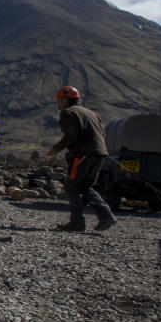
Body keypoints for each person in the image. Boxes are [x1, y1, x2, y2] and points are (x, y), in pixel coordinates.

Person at [46, 86, 117, 232]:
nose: (57, 104)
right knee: (85, 187)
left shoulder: (68, 112)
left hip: (82, 156)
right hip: (99, 154)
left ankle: (77, 223)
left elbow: (72, 135)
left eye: (58, 100)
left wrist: (56, 148)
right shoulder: (92, 113)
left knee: (73, 186)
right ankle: (106, 216)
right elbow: (102, 135)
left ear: (65, 100)